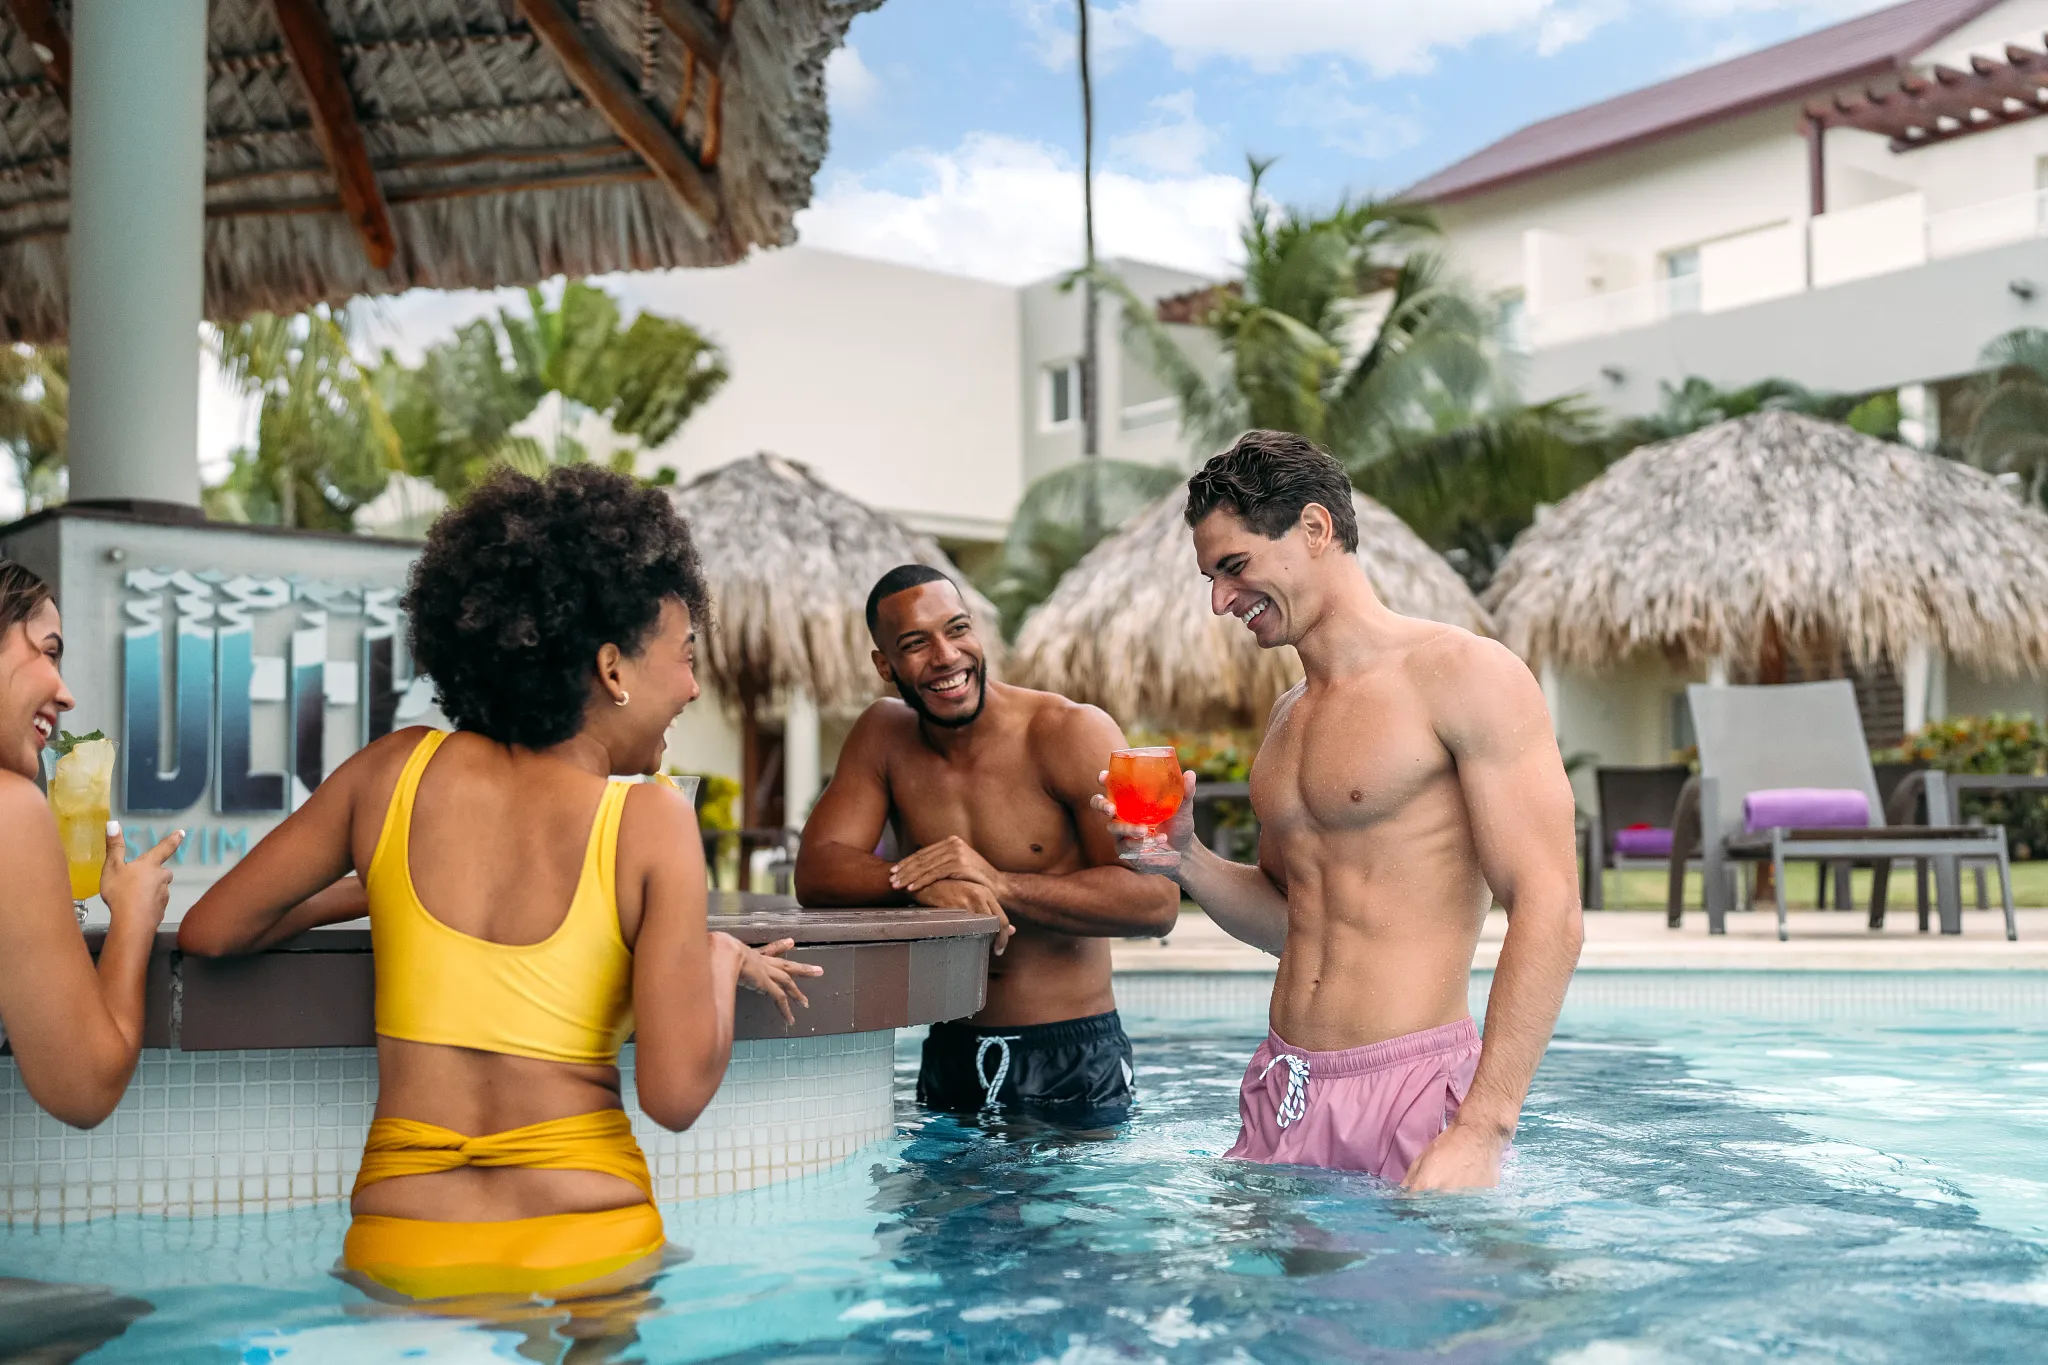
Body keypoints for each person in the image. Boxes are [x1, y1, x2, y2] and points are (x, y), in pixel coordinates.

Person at [178, 467, 821, 1300]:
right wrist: (718, 957)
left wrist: (379, 883)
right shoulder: (648, 822)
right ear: (612, 668)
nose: (693, 688)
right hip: (589, 1243)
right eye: (685, 657)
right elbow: (673, 1094)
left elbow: (211, 930)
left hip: (406, 1245)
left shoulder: (392, 774)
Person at [1098, 432, 1582, 1190]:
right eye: (1211, 576)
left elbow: (1549, 907)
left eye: (1235, 567)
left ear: (1316, 530)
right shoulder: (1287, 719)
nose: (1220, 600)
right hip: (1282, 1088)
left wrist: (1484, 1126)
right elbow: (1291, 918)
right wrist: (1184, 857)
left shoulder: (1462, 673)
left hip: (1412, 1093)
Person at [795, 565, 1179, 1121]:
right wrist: (928, 885)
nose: (946, 655)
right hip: (949, 1054)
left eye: (957, 630)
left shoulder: (1071, 731)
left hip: (1070, 1054)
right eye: (915, 644)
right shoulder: (883, 736)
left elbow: (1158, 902)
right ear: (886, 665)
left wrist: (997, 884)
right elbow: (816, 871)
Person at [0, 560, 182, 1129]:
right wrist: (133, 917)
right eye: (49, 652)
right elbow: (83, 1089)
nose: (66, 693)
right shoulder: (10, 807)